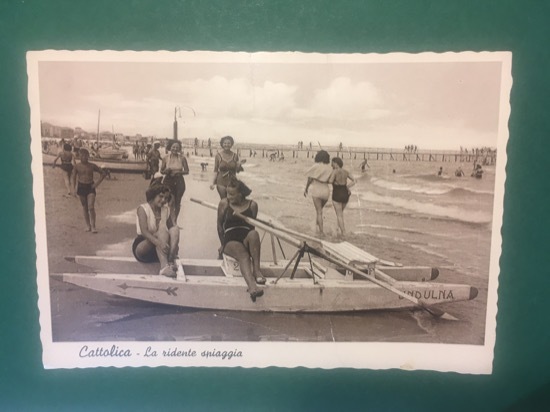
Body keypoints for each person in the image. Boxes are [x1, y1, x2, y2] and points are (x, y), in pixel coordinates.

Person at [217, 179, 264, 301]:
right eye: (227, 193)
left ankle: (257, 271)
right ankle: (252, 288)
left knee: (254, 234)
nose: (229, 197)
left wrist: (251, 246)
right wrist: (222, 245)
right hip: (230, 238)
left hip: (246, 235)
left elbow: (251, 226)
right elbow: (219, 226)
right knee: (244, 256)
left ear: (241, 194)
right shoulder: (224, 204)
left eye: (232, 194)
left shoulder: (252, 205)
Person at [132, 184, 180, 278]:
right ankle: (164, 268)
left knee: (175, 229)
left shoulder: (166, 210)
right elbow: (144, 232)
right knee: (162, 231)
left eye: (166, 198)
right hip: (143, 246)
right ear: (153, 195)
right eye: (160, 196)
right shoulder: (143, 209)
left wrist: (174, 247)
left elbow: (172, 229)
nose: (163, 200)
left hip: (159, 250)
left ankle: (170, 259)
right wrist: (159, 243)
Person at [72, 148, 107, 233]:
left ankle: (93, 226)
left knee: (91, 207)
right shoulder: (77, 166)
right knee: (85, 207)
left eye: (85, 155)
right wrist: (73, 189)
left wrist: (96, 184)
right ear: (79, 156)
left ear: (88, 156)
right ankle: (88, 226)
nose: (83, 157)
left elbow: (103, 174)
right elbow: (73, 177)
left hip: (90, 186)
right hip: (81, 186)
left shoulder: (92, 166)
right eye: (81, 155)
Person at [304, 150, 333, 235]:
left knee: (319, 212)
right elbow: (331, 180)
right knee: (320, 211)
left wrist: (306, 189)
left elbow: (309, 178)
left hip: (317, 189)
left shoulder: (316, 166)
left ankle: (321, 232)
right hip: (326, 190)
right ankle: (316, 227)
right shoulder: (330, 167)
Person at [160, 141, 189, 218]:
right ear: (170, 148)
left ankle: (174, 220)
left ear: (179, 149)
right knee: (171, 201)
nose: (175, 149)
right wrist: (166, 171)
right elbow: (161, 171)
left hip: (179, 181)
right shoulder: (165, 158)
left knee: (177, 202)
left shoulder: (182, 158)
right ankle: (169, 219)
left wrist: (178, 173)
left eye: (177, 147)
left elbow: (187, 171)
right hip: (168, 180)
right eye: (173, 147)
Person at [328, 157, 356, 237]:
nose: (331, 164)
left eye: (332, 162)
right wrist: (347, 187)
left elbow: (330, 181)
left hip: (337, 193)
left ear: (336, 163)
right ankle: (337, 229)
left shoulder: (335, 171)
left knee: (339, 215)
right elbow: (355, 181)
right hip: (345, 194)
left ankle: (344, 233)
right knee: (340, 214)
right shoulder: (346, 171)